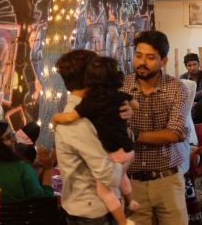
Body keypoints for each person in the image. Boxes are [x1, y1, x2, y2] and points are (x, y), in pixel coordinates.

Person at [52, 56, 140, 225]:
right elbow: (108, 175)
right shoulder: (79, 120)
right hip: (92, 214)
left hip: (100, 209)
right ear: (90, 78)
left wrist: (123, 120)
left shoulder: (99, 108)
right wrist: (128, 158)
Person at [122, 31, 190, 225]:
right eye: (138, 55)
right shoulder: (121, 87)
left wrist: (132, 135)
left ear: (163, 61)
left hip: (167, 179)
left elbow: (174, 133)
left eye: (150, 57)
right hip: (130, 182)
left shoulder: (176, 88)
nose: (142, 62)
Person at [0, 121, 55, 202]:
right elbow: (44, 202)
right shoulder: (22, 169)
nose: (15, 139)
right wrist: (48, 169)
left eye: (13, 134)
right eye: (9, 136)